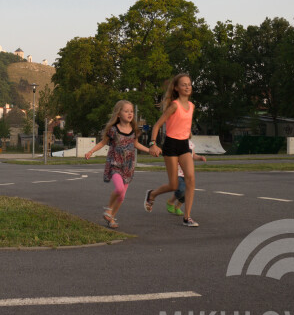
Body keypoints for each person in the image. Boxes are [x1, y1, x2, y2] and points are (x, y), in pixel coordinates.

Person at [85, 100, 151, 229]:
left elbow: (136, 144)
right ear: (119, 114)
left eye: (131, 111)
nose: (130, 113)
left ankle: (111, 218)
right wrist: (91, 151)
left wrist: (149, 150)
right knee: (119, 189)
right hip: (115, 163)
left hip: (128, 165)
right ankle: (109, 209)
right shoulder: (113, 130)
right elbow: (103, 143)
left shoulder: (134, 130)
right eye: (126, 111)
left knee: (121, 197)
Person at [145, 73, 200, 227]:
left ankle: (187, 217)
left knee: (191, 179)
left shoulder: (192, 106)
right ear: (176, 88)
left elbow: (185, 127)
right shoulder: (174, 105)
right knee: (174, 185)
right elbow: (156, 125)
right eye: (184, 84)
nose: (187, 86)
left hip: (184, 145)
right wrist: (153, 144)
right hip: (171, 145)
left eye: (189, 84)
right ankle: (152, 194)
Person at [166, 140, 206, 216]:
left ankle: (177, 207)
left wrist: (200, 157)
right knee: (181, 189)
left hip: (187, 173)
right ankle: (171, 202)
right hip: (177, 172)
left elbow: (193, 155)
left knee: (187, 192)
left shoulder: (191, 144)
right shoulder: (176, 142)